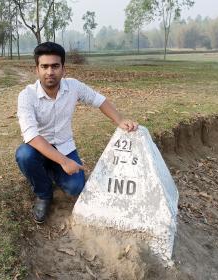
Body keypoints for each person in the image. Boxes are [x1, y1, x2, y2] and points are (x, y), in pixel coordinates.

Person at [16, 42, 138, 223]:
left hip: (65, 146)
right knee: (24, 155)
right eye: (45, 66)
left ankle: (50, 170)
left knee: (75, 188)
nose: (50, 72)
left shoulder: (73, 87)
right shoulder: (27, 95)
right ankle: (43, 194)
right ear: (37, 70)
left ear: (63, 69)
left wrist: (119, 120)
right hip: (39, 149)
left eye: (55, 66)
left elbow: (99, 100)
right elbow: (31, 136)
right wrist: (64, 161)